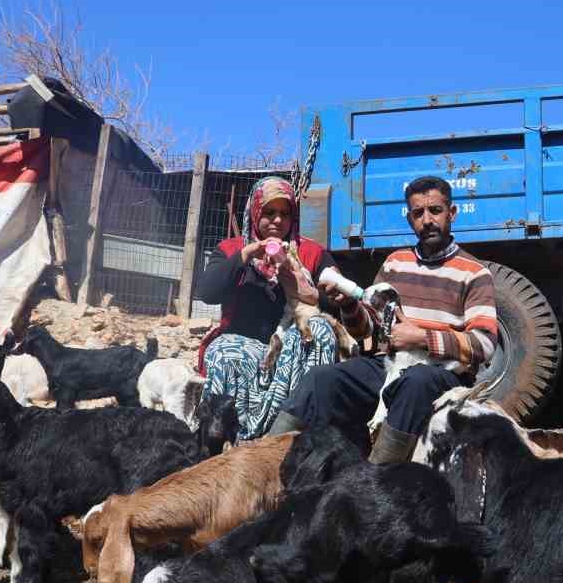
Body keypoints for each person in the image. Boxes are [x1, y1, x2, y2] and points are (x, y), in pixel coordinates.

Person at [270, 175, 497, 464]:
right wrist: (350, 307)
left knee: (416, 382)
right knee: (321, 379)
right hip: (390, 364)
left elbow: (484, 345)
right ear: (410, 219)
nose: (427, 220)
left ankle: (376, 477)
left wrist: (421, 339)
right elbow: (369, 332)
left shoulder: (475, 273)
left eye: (435, 211)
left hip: (441, 372)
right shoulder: (395, 263)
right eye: (418, 213)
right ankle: (265, 468)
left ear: (451, 214)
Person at [194, 176, 353, 441]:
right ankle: (228, 439)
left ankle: (303, 435)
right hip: (246, 349)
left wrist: (308, 289)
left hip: (293, 353)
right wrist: (246, 255)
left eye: (285, 213)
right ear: (255, 213)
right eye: (269, 213)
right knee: (223, 349)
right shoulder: (231, 249)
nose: (278, 221)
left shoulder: (312, 254)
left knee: (320, 329)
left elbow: (340, 300)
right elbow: (207, 292)